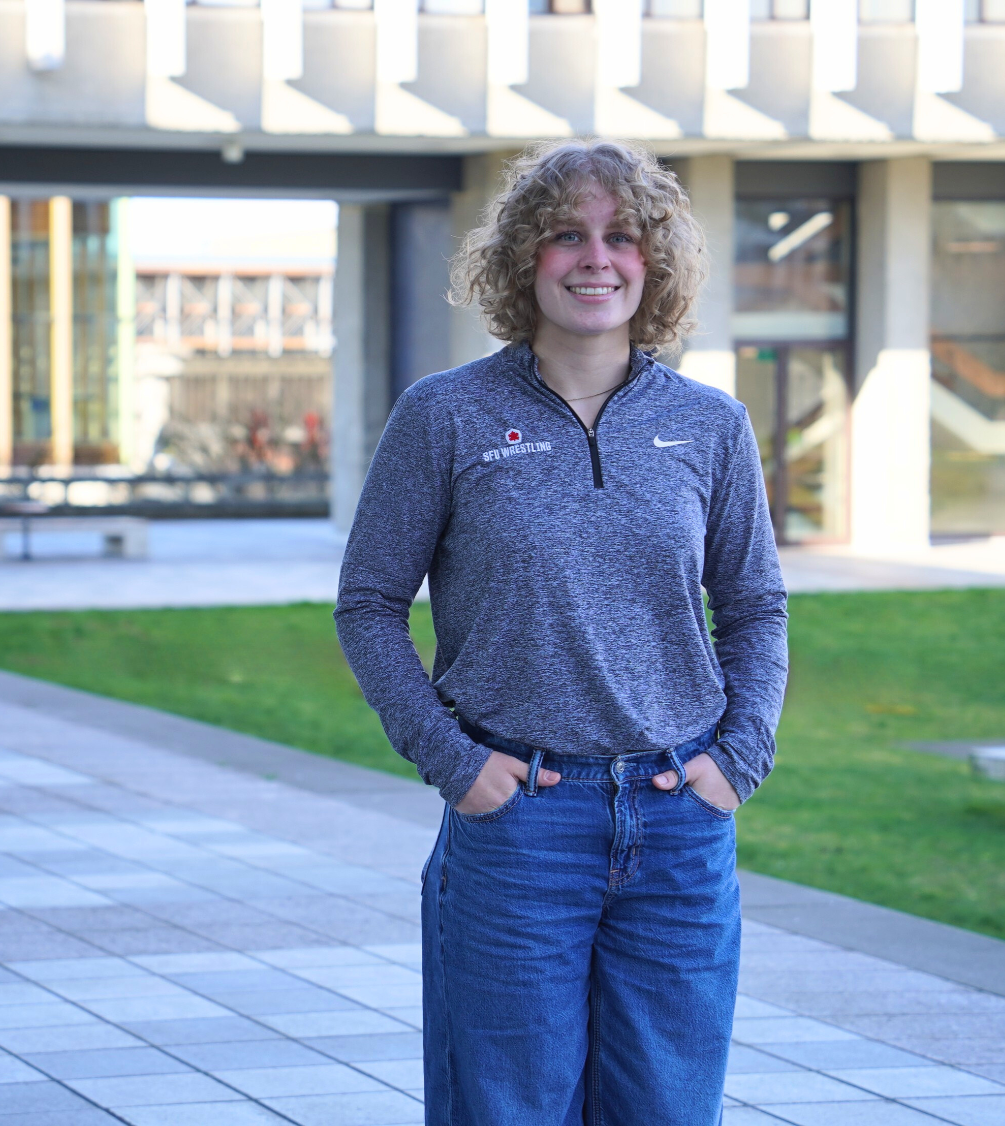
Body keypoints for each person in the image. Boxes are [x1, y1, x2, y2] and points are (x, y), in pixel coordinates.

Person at [333, 139, 789, 1125]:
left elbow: (752, 606)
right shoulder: (446, 415)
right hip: (518, 825)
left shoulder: (708, 426)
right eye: (564, 237)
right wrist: (455, 764)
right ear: (520, 261)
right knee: (508, 1109)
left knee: (667, 1108)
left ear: (652, 261)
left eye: (621, 236)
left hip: (677, 824)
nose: (596, 258)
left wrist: (737, 759)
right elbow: (367, 603)